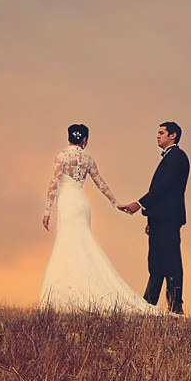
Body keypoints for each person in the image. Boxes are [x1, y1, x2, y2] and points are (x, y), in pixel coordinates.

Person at [40, 124, 154, 313]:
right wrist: (115, 202)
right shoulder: (88, 159)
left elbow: (54, 183)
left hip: (68, 202)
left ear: (69, 137)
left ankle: (65, 293)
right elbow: (100, 183)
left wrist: (46, 211)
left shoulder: (61, 156)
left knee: (66, 244)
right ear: (84, 139)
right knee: (82, 243)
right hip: (82, 203)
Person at [119, 121, 189, 314]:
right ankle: (148, 305)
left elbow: (163, 188)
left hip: (169, 219)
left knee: (171, 262)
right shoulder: (168, 158)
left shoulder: (178, 157)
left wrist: (139, 204)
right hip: (159, 219)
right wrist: (150, 220)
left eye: (161, 133)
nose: (157, 136)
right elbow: (160, 192)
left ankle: (175, 307)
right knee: (156, 263)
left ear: (173, 136)